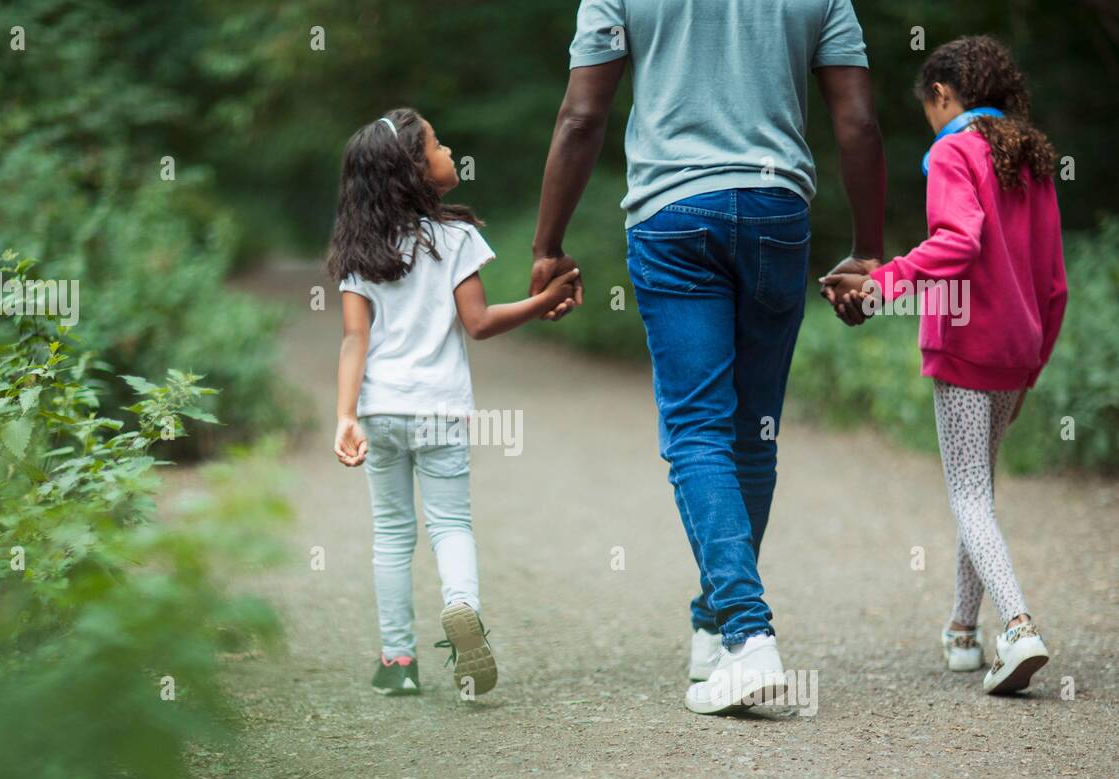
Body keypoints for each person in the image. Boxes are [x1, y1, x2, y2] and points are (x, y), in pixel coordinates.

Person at [529, 0, 886, 714]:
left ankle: (749, 638)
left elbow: (580, 116)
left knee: (697, 430)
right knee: (752, 431)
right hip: (777, 211)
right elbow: (858, 121)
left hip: (673, 215)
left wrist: (546, 246)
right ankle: (715, 621)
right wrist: (870, 247)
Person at [822, 36, 1066, 694]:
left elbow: (958, 242)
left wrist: (882, 283)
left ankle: (1017, 626)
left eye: (927, 106)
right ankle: (963, 631)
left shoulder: (954, 150)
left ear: (942, 94)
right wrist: (1033, 368)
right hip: (1016, 350)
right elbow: (1056, 285)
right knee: (978, 495)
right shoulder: (1033, 159)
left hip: (965, 347)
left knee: (967, 496)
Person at [327, 108, 579, 696]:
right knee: (451, 525)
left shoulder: (359, 249)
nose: (449, 149)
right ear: (415, 169)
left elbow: (353, 339)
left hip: (380, 410)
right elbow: (481, 323)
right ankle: (462, 607)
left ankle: (397, 664)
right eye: (438, 144)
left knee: (391, 534)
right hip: (439, 408)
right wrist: (542, 303)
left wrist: (344, 416)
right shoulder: (456, 238)